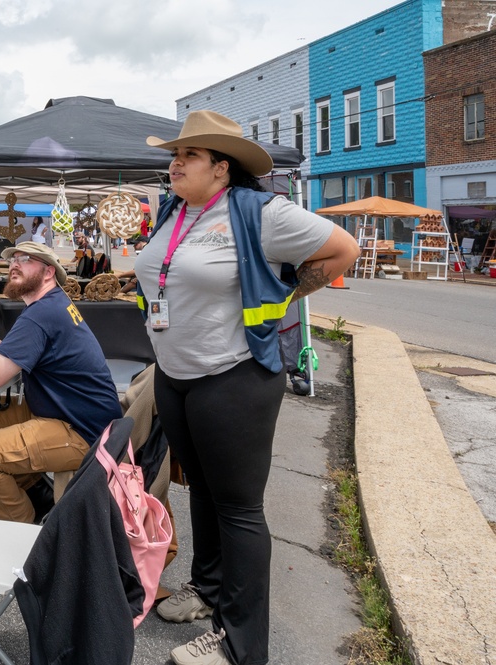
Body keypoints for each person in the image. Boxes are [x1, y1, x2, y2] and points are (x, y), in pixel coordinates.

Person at [135, 110, 359, 665]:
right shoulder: (174, 211)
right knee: (205, 494)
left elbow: (343, 251)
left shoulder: (262, 212)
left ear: (222, 168)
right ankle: (208, 593)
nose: (175, 163)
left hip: (233, 378)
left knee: (238, 509)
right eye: (175, 154)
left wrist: (284, 299)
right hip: (176, 376)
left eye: (189, 156)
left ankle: (240, 647)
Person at [0, 241, 121, 524]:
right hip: (69, 414)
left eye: (24, 260)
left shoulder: (42, 313)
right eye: (11, 260)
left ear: (48, 272)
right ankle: (27, 488)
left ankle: (22, 532)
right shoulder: (53, 304)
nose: (14, 264)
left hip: (81, 432)